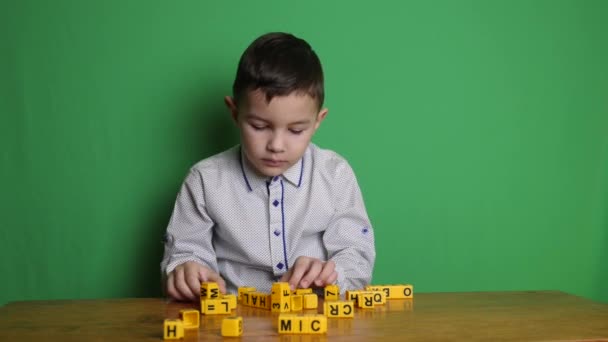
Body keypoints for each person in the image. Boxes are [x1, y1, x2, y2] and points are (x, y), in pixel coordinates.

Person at [161, 32, 375, 301]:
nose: (276, 144)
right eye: (259, 127)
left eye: (296, 130)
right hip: (234, 322)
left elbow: (357, 255)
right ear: (234, 112)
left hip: (314, 319)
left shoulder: (335, 175)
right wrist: (188, 271)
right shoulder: (204, 180)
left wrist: (332, 274)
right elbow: (185, 251)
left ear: (318, 121)